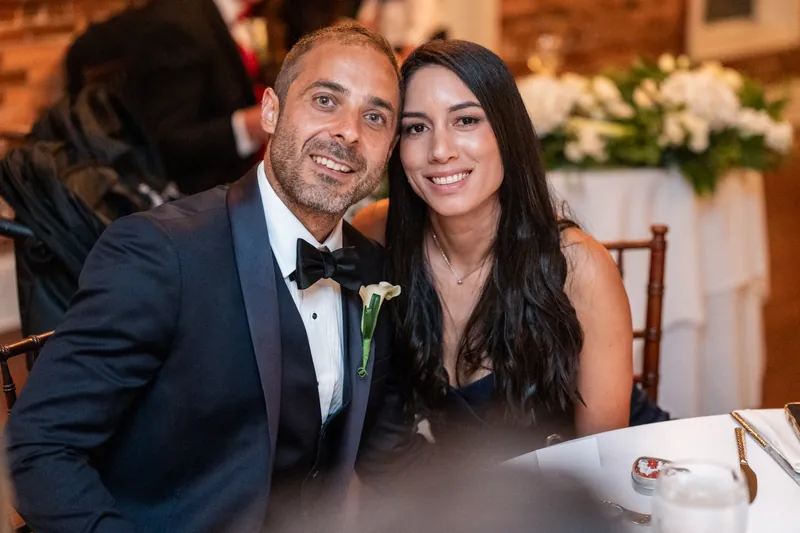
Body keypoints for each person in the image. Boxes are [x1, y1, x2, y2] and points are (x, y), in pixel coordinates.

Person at [6, 24, 412, 533]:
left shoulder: (373, 270)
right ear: (271, 111)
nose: (349, 132)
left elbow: (385, 447)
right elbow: (42, 447)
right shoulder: (160, 253)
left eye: (374, 117)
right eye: (326, 100)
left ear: (390, 146)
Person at [352, 39, 633, 458]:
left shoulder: (578, 265)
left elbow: (603, 459)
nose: (441, 151)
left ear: (507, 131)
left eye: (465, 121)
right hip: (459, 498)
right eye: (416, 127)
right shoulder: (376, 231)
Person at [127, 0, 272, 195]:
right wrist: (246, 126)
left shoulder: (230, 13)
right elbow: (169, 143)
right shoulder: (177, 24)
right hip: (207, 198)